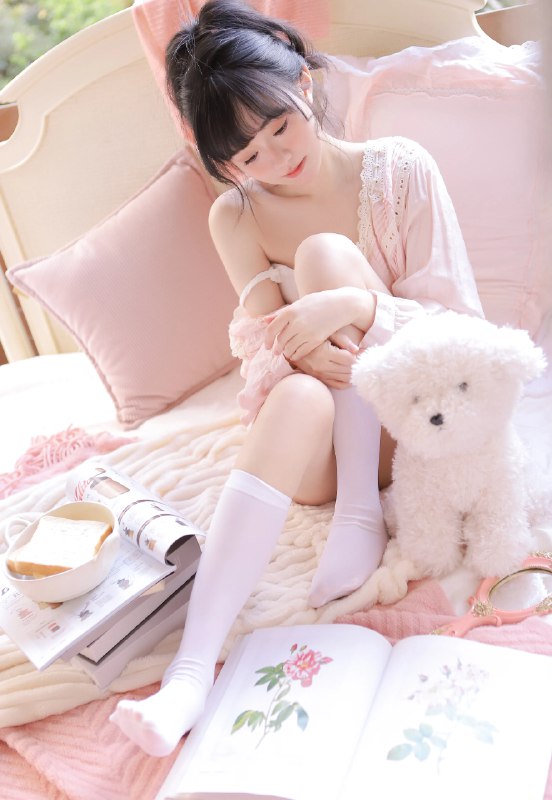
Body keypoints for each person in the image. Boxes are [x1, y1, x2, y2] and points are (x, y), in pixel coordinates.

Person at [110, 0, 483, 756]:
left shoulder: (400, 170)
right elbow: (262, 351)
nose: (275, 161)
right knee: (296, 392)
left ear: (305, 85)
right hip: (321, 448)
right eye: (247, 157)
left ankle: (362, 512)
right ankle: (189, 676)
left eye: (280, 127)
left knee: (323, 256)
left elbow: (462, 336)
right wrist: (300, 353)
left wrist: (355, 306)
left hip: (415, 419)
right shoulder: (235, 217)